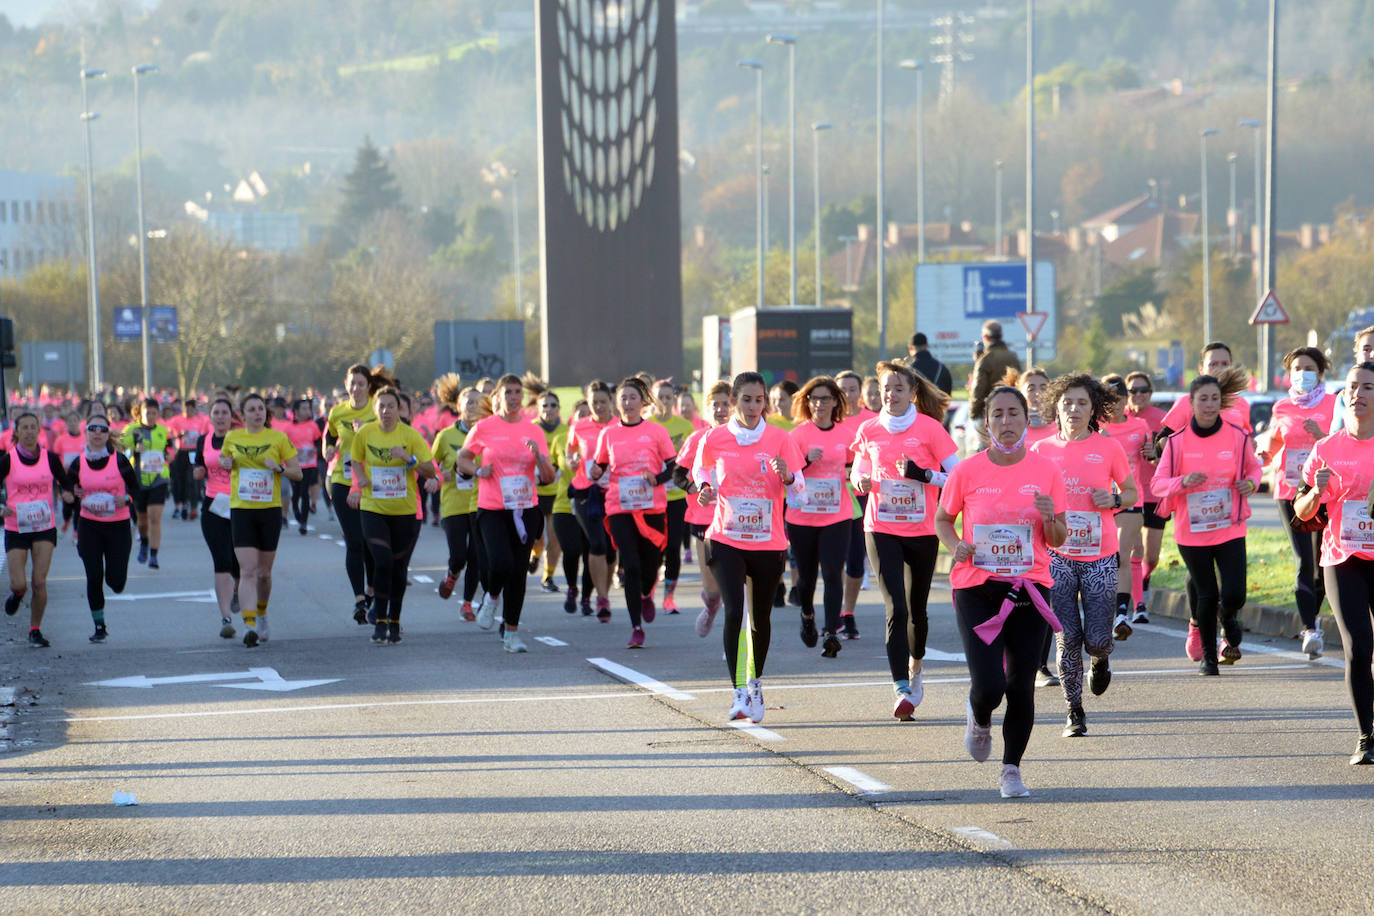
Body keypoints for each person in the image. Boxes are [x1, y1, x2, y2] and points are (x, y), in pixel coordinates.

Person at [934, 385, 1066, 798]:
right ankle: (979, 715)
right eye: (998, 415)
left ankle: (1011, 769)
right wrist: (957, 547)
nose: (1006, 422)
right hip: (978, 588)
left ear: (1028, 420)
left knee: (1020, 683)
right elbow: (943, 519)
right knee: (989, 685)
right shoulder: (967, 471)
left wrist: (1049, 519)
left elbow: (1059, 538)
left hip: (1031, 587)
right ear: (986, 422)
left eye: (1014, 414)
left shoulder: (1047, 471)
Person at [692, 372, 805, 724]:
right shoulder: (715, 438)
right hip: (726, 537)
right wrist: (705, 489)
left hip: (768, 542)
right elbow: (702, 472)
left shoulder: (780, 439)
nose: (754, 407)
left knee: (759, 618)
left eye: (759, 401)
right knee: (734, 611)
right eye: (746, 400)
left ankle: (755, 683)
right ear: (733, 401)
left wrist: (787, 476)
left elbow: (799, 493)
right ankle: (739, 690)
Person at [1032, 373, 1138, 738]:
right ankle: (1074, 711)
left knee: (1095, 638)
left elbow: (1131, 491)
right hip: (1056, 555)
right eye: (1067, 404)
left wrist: (1116, 500)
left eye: (1081, 403)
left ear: (1093, 408)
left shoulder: (1107, 448)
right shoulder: (1040, 451)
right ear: (1055, 410)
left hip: (1099, 554)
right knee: (1067, 637)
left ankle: (1102, 658)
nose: (1073, 410)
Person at [852, 362, 958, 717]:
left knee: (917, 611)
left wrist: (923, 475)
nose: (891, 395)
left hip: (924, 531)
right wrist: (861, 482)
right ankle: (900, 687)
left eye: (898, 388)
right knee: (895, 606)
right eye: (886, 388)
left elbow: (957, 478)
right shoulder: (868, 428)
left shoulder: (930, 429)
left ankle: (916, 667)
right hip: (881, 527)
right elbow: (859, 469)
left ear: (912, 392)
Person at [1152, 368, 1260, 674]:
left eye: (1215, 398)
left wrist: (1249, 485)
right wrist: (1183, 481)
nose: (1210, 404)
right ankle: (1210, 658)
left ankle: (1229, 617)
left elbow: (1254, 471)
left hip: (1230, 526)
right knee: (1207, 594)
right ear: (1191, 403)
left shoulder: (1237, 437)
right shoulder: (1176, 442)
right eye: (1203, 399)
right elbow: (1158, 485)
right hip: (1192, 532)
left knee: (1235, 593)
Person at [1295, 361, 1374, 764]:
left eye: (1367, 387)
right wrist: (1316, 491)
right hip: (1343, 557)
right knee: (1359, 647)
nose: (1358, 394)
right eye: (1352, 387)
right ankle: (1366, 736)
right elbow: (1303, 509)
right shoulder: (1327, 448)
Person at [455, 373, 556, 653]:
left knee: (518, 574)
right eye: (508, 392)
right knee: (500, 563)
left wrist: (538, 457)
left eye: (517, 392)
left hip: (525, 509)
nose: (513, 397)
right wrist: (477, 470)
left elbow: (548, 477)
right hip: (492, 508)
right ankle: (491, 596)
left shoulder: (534, 431)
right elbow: (462, 457)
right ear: (497, 396)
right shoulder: (485, 427)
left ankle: (511, 633)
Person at [589, 377, 678, 648]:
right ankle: (636, 627)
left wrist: (657, 479)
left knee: (650, 565)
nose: (628, 403)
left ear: (643, 403)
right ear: (618, 404)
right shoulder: (608, 434)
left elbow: (674, 467)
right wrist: (594, 472)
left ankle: (646, 594)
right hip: (619, 507)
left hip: (652, 506)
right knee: (631, 565)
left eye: (633, 398)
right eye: (623, 398)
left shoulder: (657, 432)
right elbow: (599, 466)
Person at [349, 386, 436, 644]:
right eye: (382, 406)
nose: (386, 411)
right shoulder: (365, 433)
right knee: (383, 561)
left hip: (404, 510)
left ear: (399, 409)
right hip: (373, 508)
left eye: (391, 406)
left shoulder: (410, 435)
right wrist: (362, 478)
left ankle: (394, 622)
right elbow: (355, 459)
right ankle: (381, 620)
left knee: (398, 569)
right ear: (375, 408)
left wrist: (408, 460)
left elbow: (430, 470)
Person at [1266, 347, 1338, 658]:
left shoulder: (1335, 404)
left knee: (1322, 563)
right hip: (1289, 491)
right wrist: (1264, 449)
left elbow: (1343, 443)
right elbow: (1273, 444)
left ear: (1320, 373)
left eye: (1308, 368)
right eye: (1296, 368)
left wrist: (1320, 434)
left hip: (1325, 490)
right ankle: (1310, 628)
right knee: (1303, 561)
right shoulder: (1281, 407)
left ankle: (1316, 617)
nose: (1302, 373)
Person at [787, 376, 862, 660]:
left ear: (835, 402)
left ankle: (831, 631)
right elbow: (787, 476)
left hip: (836, 513)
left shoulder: (846, 435)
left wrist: (854, 475)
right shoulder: (797, 436)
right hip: (802, 515)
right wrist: (805, 459)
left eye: (825, 398)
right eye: (814, 398)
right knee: (806, 578)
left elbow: (857, 467)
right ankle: (807, 616)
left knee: (832, 573)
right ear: (807, 402)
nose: (819, 403)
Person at [220, 393, 302, 648]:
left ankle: (262, 612)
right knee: (247, 570)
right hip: (242, 509)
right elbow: (224, 461)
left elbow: (297, 473)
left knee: (265, 574)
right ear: (243, 415)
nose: (258, 413)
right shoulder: (233, 437)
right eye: (252, 409)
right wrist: (226, 462)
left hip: (269, 510)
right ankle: (249, 624)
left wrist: (278, 469)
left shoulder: (278, 438)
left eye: (261, 409)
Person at [0, 413, 72, 647]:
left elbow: (65, 481)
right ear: (17, 432)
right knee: (19, 583)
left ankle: (35, 630)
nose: (30, 431)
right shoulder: (8, 460)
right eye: (25, 428)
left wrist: (68, 493)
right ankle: (18, 595)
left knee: (39, 582)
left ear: (39, 430)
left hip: (44, 526)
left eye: (33, 427)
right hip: (16, 527)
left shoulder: (50, 459)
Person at [66, 415, 140, 643]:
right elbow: (68, 492)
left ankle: (115, 579)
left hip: (118, 525)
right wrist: (72, 495)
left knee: (116, 582)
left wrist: (126, 499)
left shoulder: (119, 461)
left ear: (108, 434)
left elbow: (136, 490)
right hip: (90, 525)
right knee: (94, 575)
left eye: (102, 429)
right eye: (92, 429)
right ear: (86, 432)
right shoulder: (78, 463)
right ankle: (99, 625)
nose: (97, 433)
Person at [675, 381, 731, 636]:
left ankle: (734, 641)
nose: (721, 410)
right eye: (715, 405)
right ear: (707, 409)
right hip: (703, 518)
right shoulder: (698, 438)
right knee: (712, 589)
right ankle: (710, 607)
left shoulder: (745, 438)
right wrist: (695, 489)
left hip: (737, 519)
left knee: (735, 586)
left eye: (726, 404)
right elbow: (678, 474)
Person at [1099, 374, 1153, 638]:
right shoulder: (1094, 427)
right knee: (1104, 558)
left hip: (1132, 497)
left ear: (1125, 399)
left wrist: (1152, 453)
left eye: (1118, 400)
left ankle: (1122, 612)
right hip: (1099, 501)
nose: (1114, 406)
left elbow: (1151, 457)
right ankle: (1103, 607)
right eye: (1108, 401)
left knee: (1122, 553)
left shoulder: (1140, 425)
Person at [431, 379, 489, 620]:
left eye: (479, 402)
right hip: (453, 503)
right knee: (459, 555)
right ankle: (452, 574)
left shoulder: (488, 433)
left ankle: (467, 603)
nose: (474, 406)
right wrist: (438, 474)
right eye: (469, 402)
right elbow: (430, 463)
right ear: (458, 405)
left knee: (476, 555)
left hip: (480, 502)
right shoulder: (445, 436)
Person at [325, 364, 378, 624]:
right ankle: (359, 599)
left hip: (370, 482)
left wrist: (364, 433)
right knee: (354, 541)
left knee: (370, 541)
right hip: (342, 481)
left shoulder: (377, 410)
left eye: (361, 383)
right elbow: (330, 434)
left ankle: (371, 592)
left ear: (369, 386)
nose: (356, 388)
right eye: (352, 383)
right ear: (346, 385)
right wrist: (327, 449)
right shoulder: (337, 412)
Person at [566, 380, 617, 620]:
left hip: (615, 493)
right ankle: (602, 599)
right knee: (597, 544)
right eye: (593, 402)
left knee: (611, 551)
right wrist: (571, 461)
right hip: (586, 492)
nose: (598, 406)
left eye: (603, 402)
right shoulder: (579, 426)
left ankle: (601, 592)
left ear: (611, 402)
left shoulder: (620, 425)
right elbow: (570, 452)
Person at [193, 398, 242, 639]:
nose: (221, 417)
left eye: (225, 413)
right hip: (213, 506)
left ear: (231, 417)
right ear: (210, 417)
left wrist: (235, 464)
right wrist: (198, 472)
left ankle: (238, 589)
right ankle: (225, 617)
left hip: (240, 505)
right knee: (221, 560)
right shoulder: (203, 441)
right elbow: (199, 467)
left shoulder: (241, 439)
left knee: (239, 563)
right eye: (216, 413)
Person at [1124, 370, 1167, 622]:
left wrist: (1155, 454)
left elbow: (1171, 457)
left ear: (1150, 394)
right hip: (1128, 493)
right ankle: (1136, 598)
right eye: (1133, 391)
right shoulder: (1118, 419)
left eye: (1143, 390)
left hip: (1155, 492)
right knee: (1132, 551)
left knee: (1151, 556)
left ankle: (1142, 580)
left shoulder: (1161, 419)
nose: (1138, 395)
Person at [649, 378, 694, 613]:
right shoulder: (646, 424)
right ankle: (649, 591)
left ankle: (669, 597)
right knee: (654, 547)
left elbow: (688, 461)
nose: (664, 402)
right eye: (660, 397)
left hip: (676, 497)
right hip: (652, 498)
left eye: (668, 397)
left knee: (674, 546)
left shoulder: (684, 426)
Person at [121, 396, 173, 569]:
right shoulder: (131, 429)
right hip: (138, 480)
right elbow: (121, 448)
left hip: (159, 477)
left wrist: (168, 455)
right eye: (147, 413)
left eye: (153, 413)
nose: (150, 416)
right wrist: (133, 449)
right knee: (142, 520)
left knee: (154, 516)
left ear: (158, 413)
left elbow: (168, 449)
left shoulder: (163, 431)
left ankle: (154, 555)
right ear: (140, 414)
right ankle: (144, 542)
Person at [1159, 342, 1252, 436]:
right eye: (1213, 364)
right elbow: (1162, 441)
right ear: (1201, 369)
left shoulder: (1241, 403)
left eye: (1225, 364)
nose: (1219, 369)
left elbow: (1247, 438)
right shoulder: (1186, 402)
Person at [534, 389, 566, 592]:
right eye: (544, 405)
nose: (549, 409)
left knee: (555, 538)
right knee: (538, 539)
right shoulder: (530, 430)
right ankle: (535, 556)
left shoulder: (566, 430)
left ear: (559, 408)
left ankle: (548, 576)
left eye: (553, 405)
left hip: (557, 492)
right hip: (533, 493)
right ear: (538, 409)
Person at [968, 320, 1022, 429]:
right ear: (1001, 336)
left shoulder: (985, 359)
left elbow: (978, 391)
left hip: (991, 414)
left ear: (985, 337)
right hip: (1013, 412)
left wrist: (973, 415)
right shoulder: (1013, 357)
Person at [284, 399, 323, 536]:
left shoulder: (313, 425)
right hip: (294, 466)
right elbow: (284, 446)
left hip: (309, 464)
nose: (307, 411)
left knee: (305, 492)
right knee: (296, 493)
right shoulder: (289, 428)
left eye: (309, 408)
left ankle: (303, 523)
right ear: (296, 412)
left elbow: (319, 441)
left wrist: (316, 450)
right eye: (304, 409)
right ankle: (295, 508)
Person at [1327, 325, 1374, 436]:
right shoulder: (1345, 398)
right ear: (1356, 355)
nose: (1372, 355)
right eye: (1367, 349)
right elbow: (1335, 441)